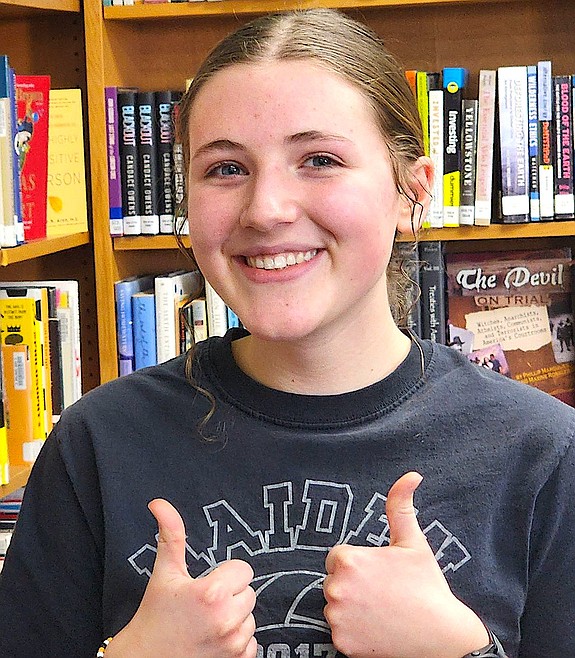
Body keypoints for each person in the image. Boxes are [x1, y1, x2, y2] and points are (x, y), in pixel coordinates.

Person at [1, 8, 574, 658]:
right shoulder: (97, 443)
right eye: (225, 168)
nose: (266, 209)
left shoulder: (544, 453)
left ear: (412, 193)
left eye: (319, 159)